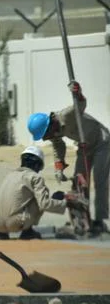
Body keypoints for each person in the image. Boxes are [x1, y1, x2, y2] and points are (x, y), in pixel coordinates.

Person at [27, 81, 110, 234]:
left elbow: (81, 104)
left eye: (45, 135)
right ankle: (81, 218)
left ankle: (100, 220)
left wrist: (77, 92)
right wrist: (59, 167)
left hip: (101, 142)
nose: (46, 139)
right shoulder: (53, 131)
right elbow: (58, 147)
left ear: (50, 125)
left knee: (100, 180)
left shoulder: (66, 115)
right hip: (84, 146)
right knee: (79, 181)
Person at [0, 146, 87, 240]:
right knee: (40, 200)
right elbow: (44, 204)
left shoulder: (9, 175)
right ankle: (27, 232)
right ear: (38, 165)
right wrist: (67, 203)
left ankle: (2, 233)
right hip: (15, 223)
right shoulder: (35, 177)